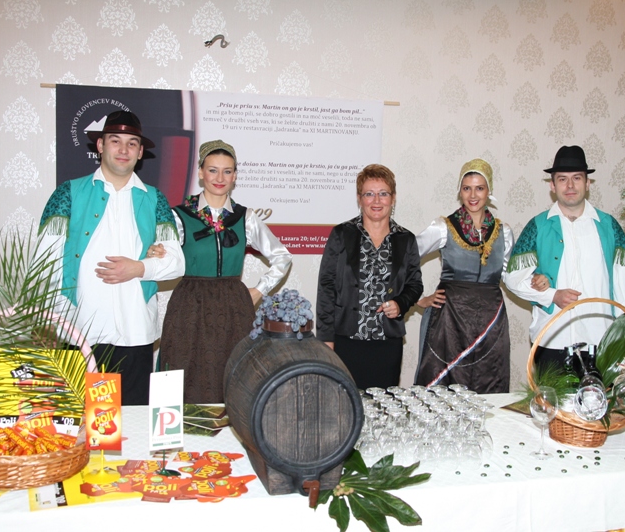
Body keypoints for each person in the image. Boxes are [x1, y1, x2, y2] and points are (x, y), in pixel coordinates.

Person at [38, 110, 186, 405]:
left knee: (133, 420)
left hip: (135, 331)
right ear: (100, 145)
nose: (123, 149)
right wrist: (53, 321)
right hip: (80, 331)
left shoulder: (155, 199)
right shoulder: (68, 193)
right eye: (115, 140)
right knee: (80, 424)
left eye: (132, 143)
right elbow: (44, 263)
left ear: (140, 152)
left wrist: (139, 268)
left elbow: (176, 263)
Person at [151, 140, 292, 404]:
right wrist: (156, 252)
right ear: (200, 172)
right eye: (213, 170)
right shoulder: (178, 216)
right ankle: (178, 429)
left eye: (227, 171)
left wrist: (259, 290)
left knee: (235, 371)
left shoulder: (245, 217)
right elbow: (164, 257)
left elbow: (282, 257)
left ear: (235, 176)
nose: (220, 178)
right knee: (183, 367)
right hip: (189, 304)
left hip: (233, 306)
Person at [504, 145, 625, 371]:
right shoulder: (537, 226)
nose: (569, 186)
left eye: (576, 178)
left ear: (587, 183)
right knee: (550, 396)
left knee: (600, 396)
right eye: (562, 179)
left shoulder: (609, 227)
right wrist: (552, 295)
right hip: (552, 340)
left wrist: (622, 336)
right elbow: (513, 278)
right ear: (552, 185)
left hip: (601, 341)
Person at [316, 164, 423, 389]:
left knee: (384, 404)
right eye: (369, 194)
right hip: (346, 341)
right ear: (359, 198)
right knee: (346, 402)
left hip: (387, 343)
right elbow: (326, 288)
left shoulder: (406, 239)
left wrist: (400, 303)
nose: (376, 201)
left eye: (383, 193)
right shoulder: (341, 234)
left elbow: (414, 284)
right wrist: (326, 338)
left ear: (393, 198)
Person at [414, 159, 515, 394]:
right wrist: (416, 298)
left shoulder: (504, 232)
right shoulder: (443, 227)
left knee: (489, 383)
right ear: (459, 191)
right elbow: (406, 257)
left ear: (489, 191)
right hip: (450, 320)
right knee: (443, 390)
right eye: (467, 188)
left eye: (479, 188)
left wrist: (540, 283)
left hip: (491, 319)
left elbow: (511, 276)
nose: (473, 195)